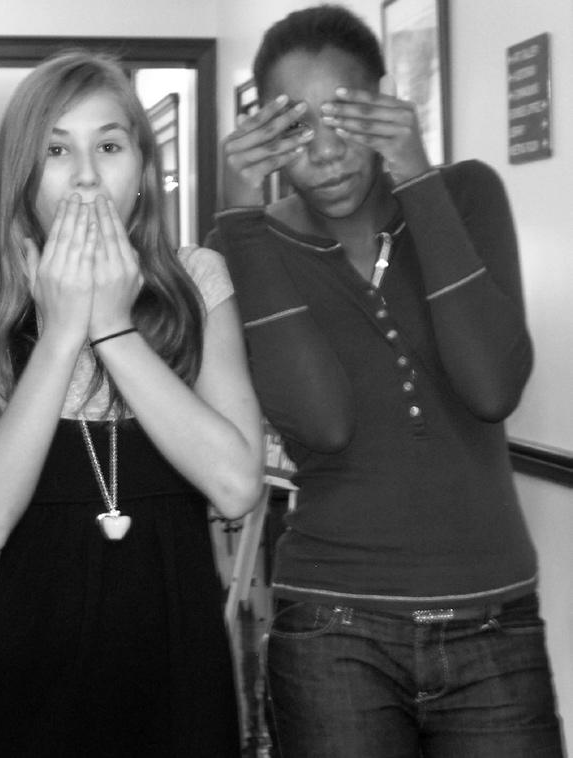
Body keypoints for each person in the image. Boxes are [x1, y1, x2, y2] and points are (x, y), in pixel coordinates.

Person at [211, 5, 564, 757]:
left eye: (346, 118)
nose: (326, 153)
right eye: (295, 128)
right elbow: (320, 420)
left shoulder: (464, 195)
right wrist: (237, 215)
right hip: (332, 630)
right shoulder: (247, 242)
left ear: (385, 103)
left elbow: (492, 387)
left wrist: (418, 176)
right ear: (262, 133)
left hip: (493, 623)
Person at [0, 51, 265, 757]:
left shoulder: (197, 282)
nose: (84, 175)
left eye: (108, 146)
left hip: (178, 665)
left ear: (142, 171)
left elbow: (236, 486)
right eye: (55, 150)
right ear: (22, 178)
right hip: (33, 668)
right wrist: (58, 334)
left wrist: (111, 326)